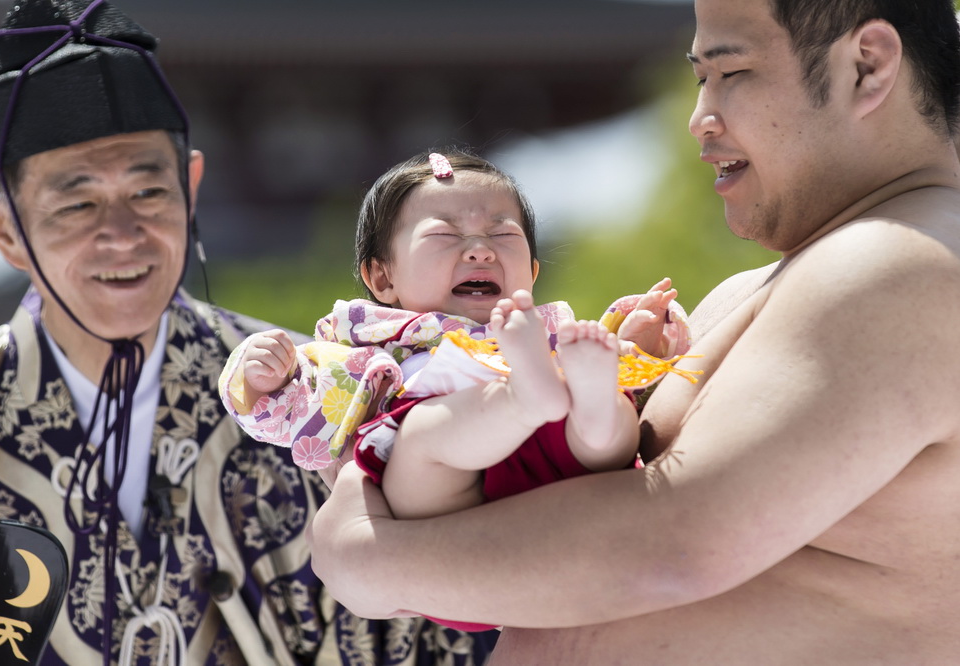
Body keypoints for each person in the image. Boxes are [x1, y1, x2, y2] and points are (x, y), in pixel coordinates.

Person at [305, 0, 960, 663]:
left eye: (728, 73)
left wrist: (368, 559)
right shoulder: (792, 278)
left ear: (865, 66)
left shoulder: (901, 262)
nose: (698, 119)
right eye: (700, 80)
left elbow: (678, 543)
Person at [0, 1, 496, 664]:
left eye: (149, 192)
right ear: (2, 226)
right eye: (76, 202)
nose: (122, 234)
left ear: (190, 188)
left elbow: (444, 628)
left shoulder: (330, 391)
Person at [220, 152, 694, 629]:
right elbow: (281, 413)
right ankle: (527, 400)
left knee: (607, 411)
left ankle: (575, 398)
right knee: (423, 433)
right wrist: (266, 377)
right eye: (445, 235)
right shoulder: (364, 350)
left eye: (502, 234)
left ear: (530, 271)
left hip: (557, 477)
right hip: (440, 524)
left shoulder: (548, 337)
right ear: (383, 277)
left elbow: (637, 382)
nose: (480, 250)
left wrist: (637, 341)